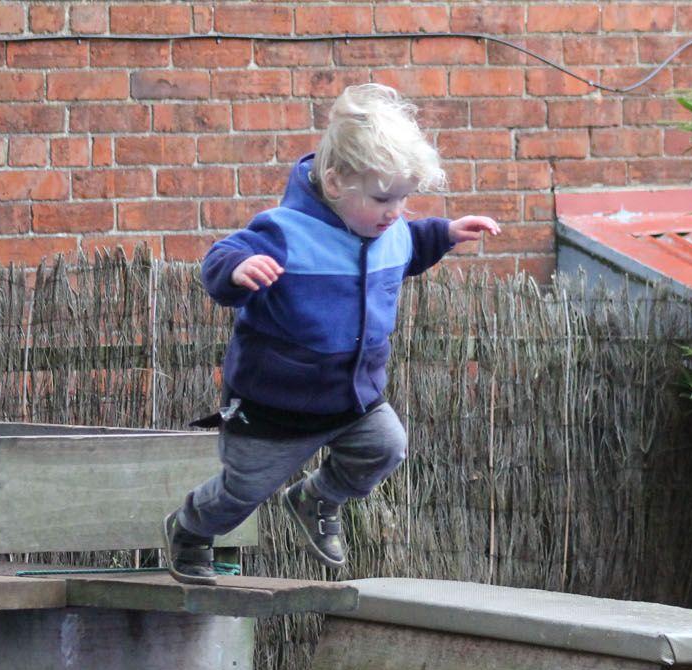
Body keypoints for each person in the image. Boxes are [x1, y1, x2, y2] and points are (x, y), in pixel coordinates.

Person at [164, 83, 499, 582]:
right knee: (241, 493)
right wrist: (238, 271)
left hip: (352, 398)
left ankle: (317, 496)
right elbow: (221, 257)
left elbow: (412, 245)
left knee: (386, 446)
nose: (396, 212)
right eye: (384, 198)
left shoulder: (391, 230)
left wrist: (447, 234)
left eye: (405, 199)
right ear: (338, 182)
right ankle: (189, 529)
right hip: (273, 405)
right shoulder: (285, 232)